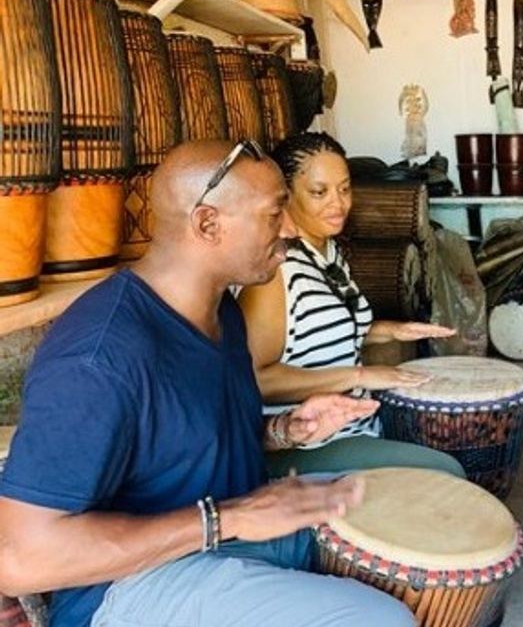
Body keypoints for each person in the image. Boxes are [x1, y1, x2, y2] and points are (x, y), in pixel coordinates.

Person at [0, 140, 416, 627]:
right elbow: (21, 558)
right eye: (274, 212)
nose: (288, 229)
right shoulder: (98, 358)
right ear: (207, 224)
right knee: (379, 620)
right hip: (128, 586)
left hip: (226, 533)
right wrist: (226, 518)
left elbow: (182, 445)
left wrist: (286, 431)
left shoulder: (221, 311)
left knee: (403, 506)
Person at [239, 132, 463, 478]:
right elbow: (254, 378)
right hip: (306, 442)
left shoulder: (328, 254)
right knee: (446, 473)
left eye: (344, 189)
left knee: (449, 435)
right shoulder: (276, 273)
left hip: (354, 424)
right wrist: (360, 375)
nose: (338, 203)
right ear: (285, 196)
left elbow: (323, 331)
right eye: (319, 192)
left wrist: (392, 331)